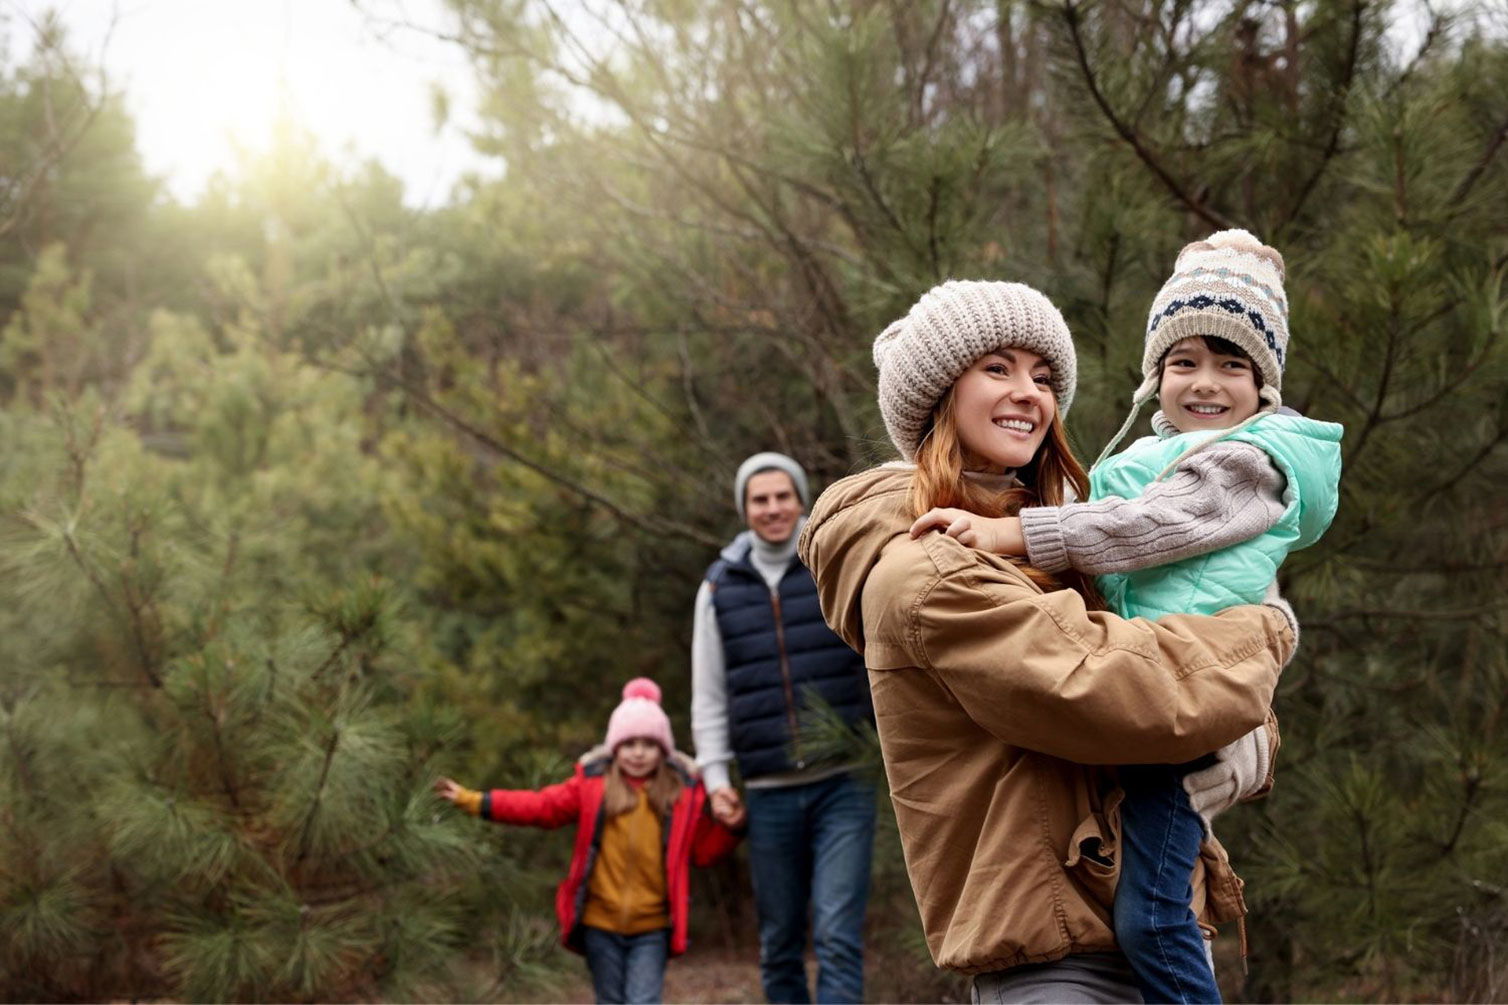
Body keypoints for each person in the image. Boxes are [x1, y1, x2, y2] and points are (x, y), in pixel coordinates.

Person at [797, 279, 1298, 1003]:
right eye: (997, 368)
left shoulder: (1046, 537)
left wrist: (1253, 738)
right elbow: (1114, 687)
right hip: (1056, 958)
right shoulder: (929, 569)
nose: (1029, 393)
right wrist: (1268, 631)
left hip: (1140, 930)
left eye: (1043, 376)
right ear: (938, 391)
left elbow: (1164, 660)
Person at [907, 233, 1342, 1003]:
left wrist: (1016, 531)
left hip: (1180, 734)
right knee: (1154, 912)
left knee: (1153, 918)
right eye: (1184, 362)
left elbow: (1146, 527)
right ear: (1154, 375)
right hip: (1111, 790)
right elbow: (1097, 552)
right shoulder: (1141, 461)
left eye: (1232, 363)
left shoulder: (1246, 461)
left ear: (1266, 384)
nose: (1205, 383)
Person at [690, 451, 876, 1004]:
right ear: (744, 508)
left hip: (846, 783)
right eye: (759, 499)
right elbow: (709, 693)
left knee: (838, 936)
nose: (772, 508)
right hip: (768, 791)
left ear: (800, 499)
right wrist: (715, 777)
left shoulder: (832, 563)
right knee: (778, 943)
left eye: (782, 496)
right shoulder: (720, 587)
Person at [435, 678, 743, 1005]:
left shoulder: (681, 796)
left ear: (663, 750)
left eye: (649, 744)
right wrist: (475, 801)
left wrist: (733, 827)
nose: (638, 753)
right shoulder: (592, 786)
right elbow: (541, 807)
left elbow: (702, 852)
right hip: (600, 923)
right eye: (629, 744)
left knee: (643, 1001)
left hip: (652, 928)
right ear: (615, 747)